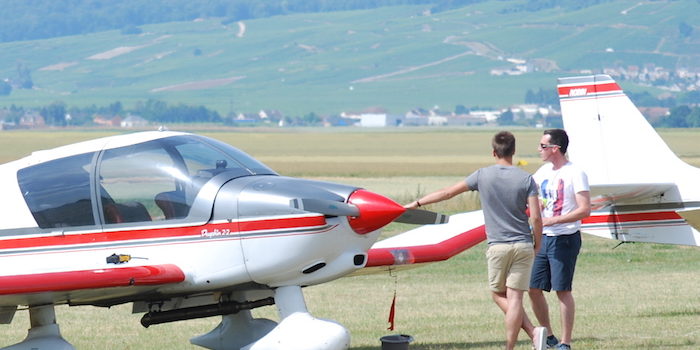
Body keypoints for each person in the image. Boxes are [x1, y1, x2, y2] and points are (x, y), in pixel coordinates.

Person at [405, 131, 546, 350]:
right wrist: (538, 243)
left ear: (493, 152)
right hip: (523, 244)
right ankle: (528, 338)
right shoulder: (526, 178)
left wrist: (416, 203)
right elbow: (536, 217)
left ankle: (530, 335)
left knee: (498, 295)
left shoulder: (482, 175)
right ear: (514, 151)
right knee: (516, 297)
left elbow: (447, 193)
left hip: (498, 245)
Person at [529, 129, 591, 350]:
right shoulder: (542, 172)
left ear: (555, 148)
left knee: (562, 290)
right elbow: (527, 194)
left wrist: (553, 221)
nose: (539, 150)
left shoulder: (575, 173)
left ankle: (565, 342)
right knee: (533, 288)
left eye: (542, 146)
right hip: (541, 238)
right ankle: (549, 335)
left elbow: (585, 210)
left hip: (565, 238)